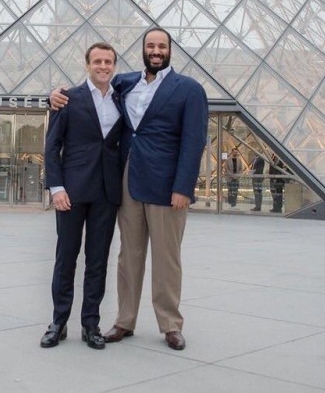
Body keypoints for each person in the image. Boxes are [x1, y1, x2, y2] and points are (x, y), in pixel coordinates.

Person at [51, 27, 208, 351]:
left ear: (169, 50)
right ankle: (125, 320)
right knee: (128, 256)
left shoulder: (189, 89)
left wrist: (183, 187)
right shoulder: (124, 83)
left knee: (167, 258)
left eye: (161, 46)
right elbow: (88, 92)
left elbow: (194, 142)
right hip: (128, 181)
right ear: (142, 50)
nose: (155, 50)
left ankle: (170, 325)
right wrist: (52, 96)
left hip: (167, 187)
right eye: (150, 45)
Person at [41, 42, 123, 350]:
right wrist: (57, 188)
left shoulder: (122, 98)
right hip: (71, 193)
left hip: (106, 193)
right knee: (66, 259)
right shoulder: (67, 99)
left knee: (97, 261)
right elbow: (52, 147)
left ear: (114, 65)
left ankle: (91, 324)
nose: (103, 66)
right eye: (98, 61)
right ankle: (58, 322)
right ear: (87, 65)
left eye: (109, 62)